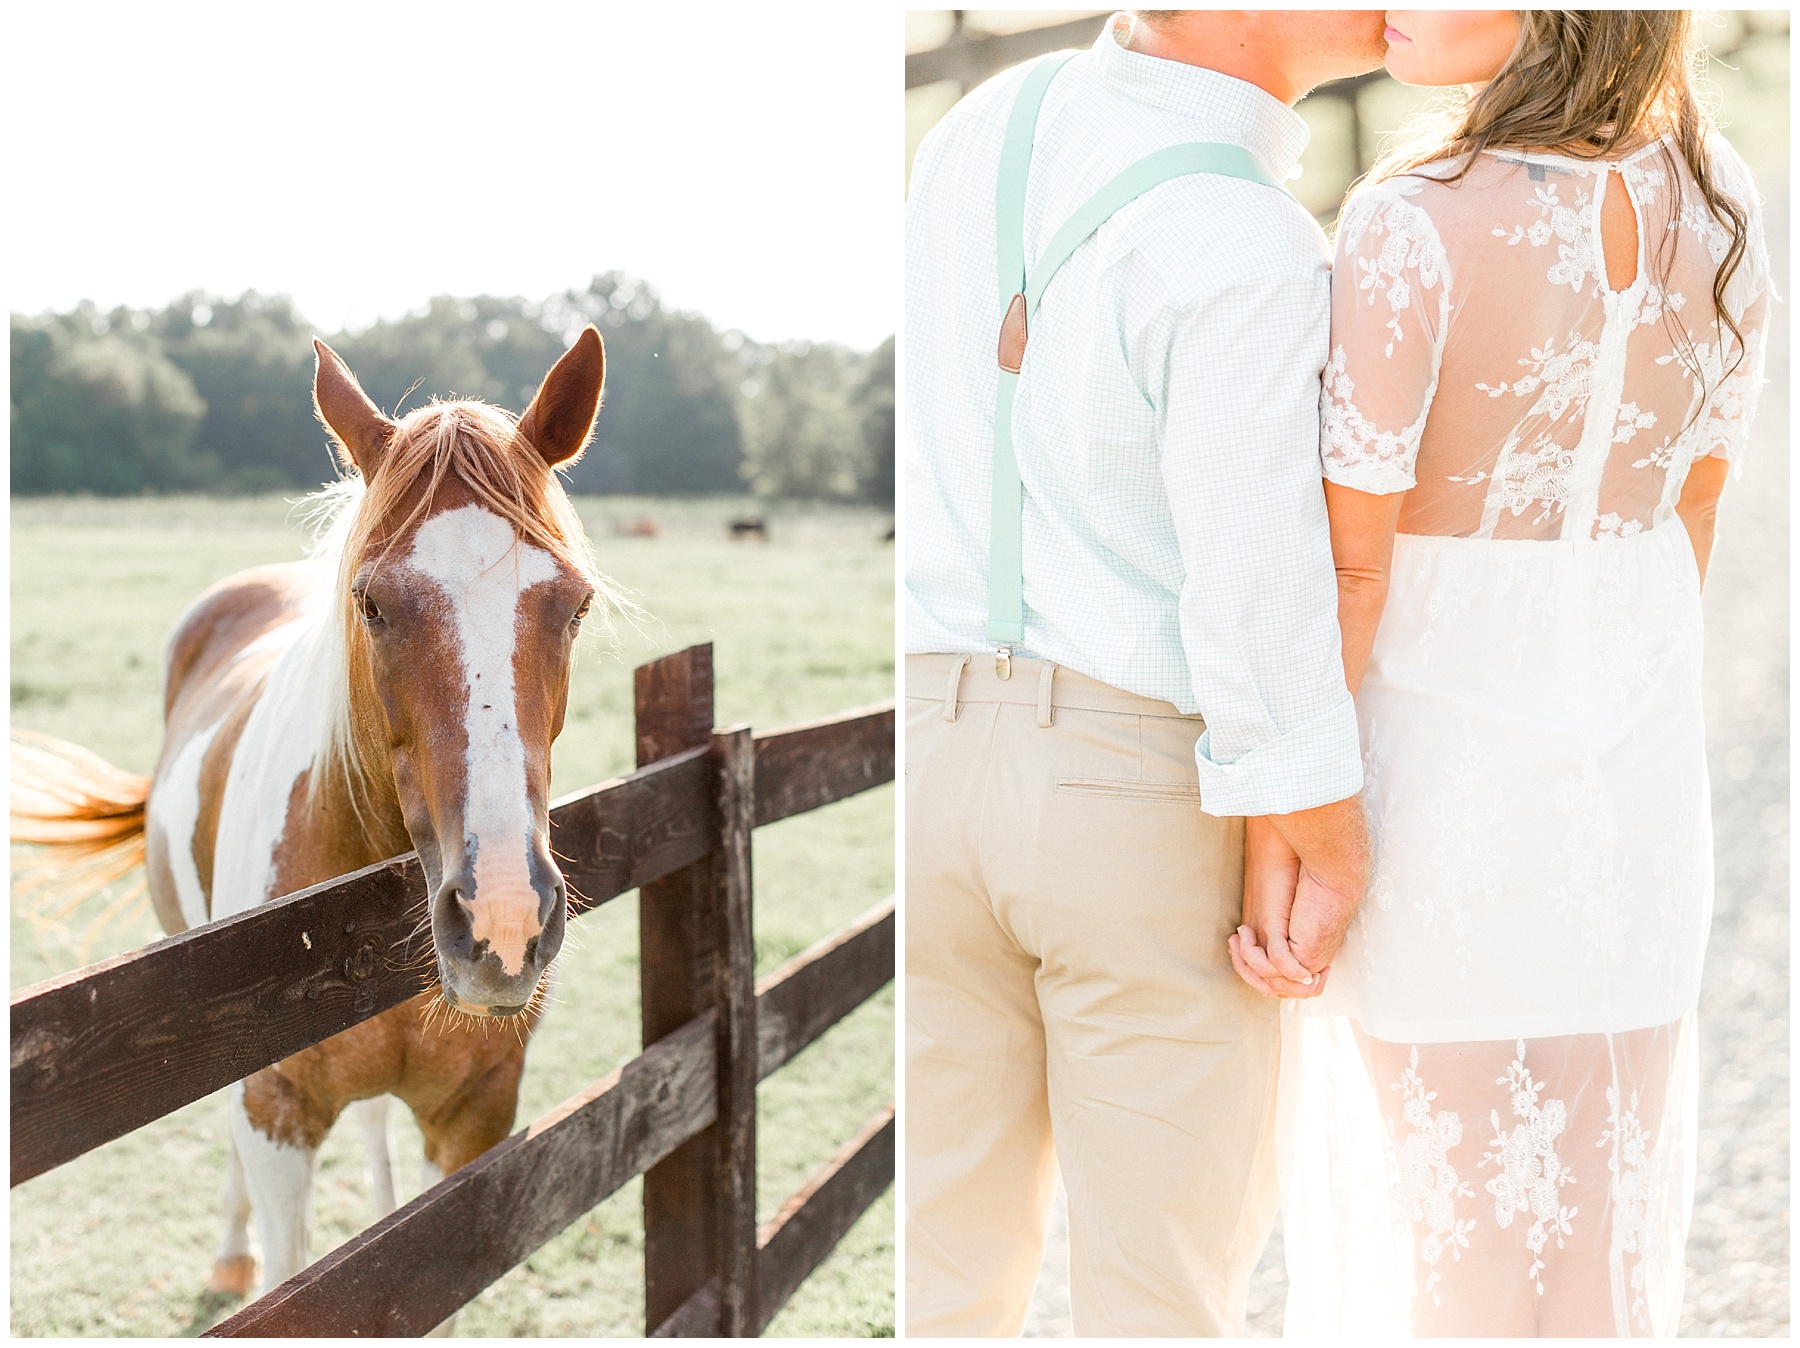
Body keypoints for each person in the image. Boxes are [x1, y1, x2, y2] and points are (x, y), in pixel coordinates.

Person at [1230, 10, 1773, 1337]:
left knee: (1452, 1247)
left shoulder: (1410, 221)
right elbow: (1690, 520)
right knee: (1597, 1246)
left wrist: (1284, 829)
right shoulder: (1723, 198)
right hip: (1635, 804)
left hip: (1440, 798)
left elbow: (1351, 576)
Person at [904, 11, 1388, 1335]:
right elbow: (1253, 593)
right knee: (1158, 1302)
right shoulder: (1247, 239)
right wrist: (1324, 832)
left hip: (927, 760)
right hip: (1131, 794)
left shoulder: (976, 130)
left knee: (940, 1287)